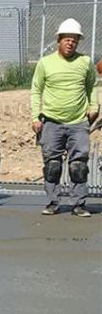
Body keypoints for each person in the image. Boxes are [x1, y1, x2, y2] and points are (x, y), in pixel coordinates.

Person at [31, 18, 98, 217]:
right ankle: (53, 203)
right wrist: (35, 116)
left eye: (75, 40)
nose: (71, 43)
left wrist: (94, 107)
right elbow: (36, 90)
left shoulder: (85, 62)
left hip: (78, 122)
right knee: (52, 165)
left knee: (79, 165)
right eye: (67, 39)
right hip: (52, 121)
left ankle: (79, 204)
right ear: (58, 40)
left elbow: (92, 86)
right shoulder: (45, 63)